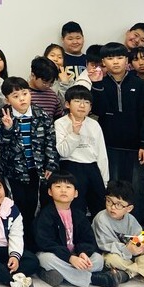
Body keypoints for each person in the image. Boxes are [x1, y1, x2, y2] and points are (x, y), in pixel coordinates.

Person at [89, 42, 144, 225]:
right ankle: (110, 229)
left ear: (127, 60)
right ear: (103, 62)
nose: (115, 62)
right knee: (111, 190)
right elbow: (96, 111)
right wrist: (96, 86)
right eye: (110, 58)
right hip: (109, 148)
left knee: (136, 191)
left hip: (136, 149)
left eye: (120, 57)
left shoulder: (140, 85)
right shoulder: (99, 84)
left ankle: (135, 230)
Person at [0, 77, 58, 248]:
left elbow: (50, 141)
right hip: (13, 171)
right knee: (16, 205)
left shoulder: (41, 114)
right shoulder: (2, 116)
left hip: (36, 169)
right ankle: (16, 243)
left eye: (25, 93)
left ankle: (31, 242)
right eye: (16, 96)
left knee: (33, 205)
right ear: (7, 100)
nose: (22, 99)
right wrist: (8, 129)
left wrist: (51, 164)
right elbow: (1, 144)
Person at [34, 172, 121, 287]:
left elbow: (88, 239)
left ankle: (58, 274)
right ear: (50, 192)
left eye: (68, 187)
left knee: (98, 259)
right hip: (56, 255)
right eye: (58, 186)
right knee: (46, 259)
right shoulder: (46, 215)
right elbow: (46, 243)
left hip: (75, 255)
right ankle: (92, 279)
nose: (63, 190)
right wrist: (69, 258)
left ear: (75, 193)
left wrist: (83, 253)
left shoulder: (79, 215)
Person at [54, 85, 108, 219]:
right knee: (76, 208)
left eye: (86, 102)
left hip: (92, 167)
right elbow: (63, 152)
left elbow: (102, 154)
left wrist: (105, 181)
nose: (82, 105)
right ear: (67, 104)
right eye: (77, 101)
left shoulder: (94, 124)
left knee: (99, 207)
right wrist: (74, 133)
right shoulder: (60, 123)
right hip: (71, 167)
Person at [91, 180, 144, 284]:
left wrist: (139, 245)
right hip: (110, 253)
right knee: (112, 260)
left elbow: (138, 235)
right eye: (109, 201)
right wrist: (127, 250)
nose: (112, 207)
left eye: (119, 205)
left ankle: (128, 273)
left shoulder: (130, 219)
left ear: (129, 208)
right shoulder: (101, 218)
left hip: (130, 253)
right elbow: (105, 245)